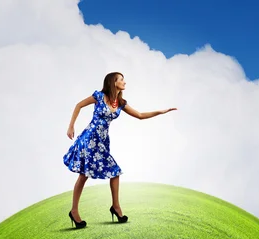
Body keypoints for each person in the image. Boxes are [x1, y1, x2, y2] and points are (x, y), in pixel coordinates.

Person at [63, 72, 177, 228]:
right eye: (121, 79)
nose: (124, 82)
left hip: (102, 143)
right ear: (113, 82)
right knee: (84, 175)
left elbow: (140, 115)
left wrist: (160, 112)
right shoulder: (99, 96)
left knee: (115, 173)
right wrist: (71, 126)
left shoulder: (120, 102)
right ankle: (74, 211)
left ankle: (115, 206)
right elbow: (79, 105)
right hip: (89, 139)